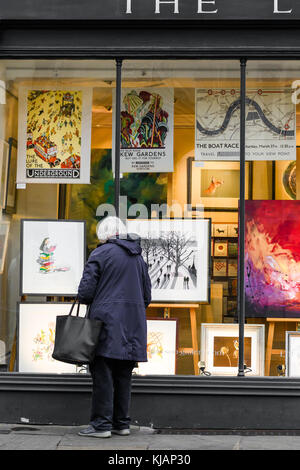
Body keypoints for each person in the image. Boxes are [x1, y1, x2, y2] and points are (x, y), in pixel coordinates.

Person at [77, 216, 151, 438]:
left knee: (103, 373)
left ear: (104, 235)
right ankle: (121, 424)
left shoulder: (100, 253)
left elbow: (85, 293)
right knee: (124, 374)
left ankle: (101, 425)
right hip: (133, 324)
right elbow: (147, 296)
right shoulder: (138, 258)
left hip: (105, 323)